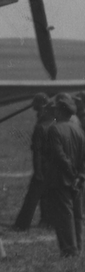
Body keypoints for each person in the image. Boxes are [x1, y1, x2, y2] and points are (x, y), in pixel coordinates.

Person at [41, 93, 85, 257]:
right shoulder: (79, 130)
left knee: (64, 216)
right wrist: (80, 176)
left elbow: (59, 156)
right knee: (77, 216)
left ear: (60, 111)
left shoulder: (54, 129)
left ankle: (69, 250)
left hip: (61, 179)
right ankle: (78, 248)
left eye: (55, 109)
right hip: (78, 181)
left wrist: (72, 173)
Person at [13, 94, 52, 231]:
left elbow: (37, 152)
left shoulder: (41, 125)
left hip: (42, 165)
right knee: (47, 194)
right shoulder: (52, 121)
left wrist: (38, 171)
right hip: (53, 165)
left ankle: (22, 225)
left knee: (32, 197)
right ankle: (47, 221)